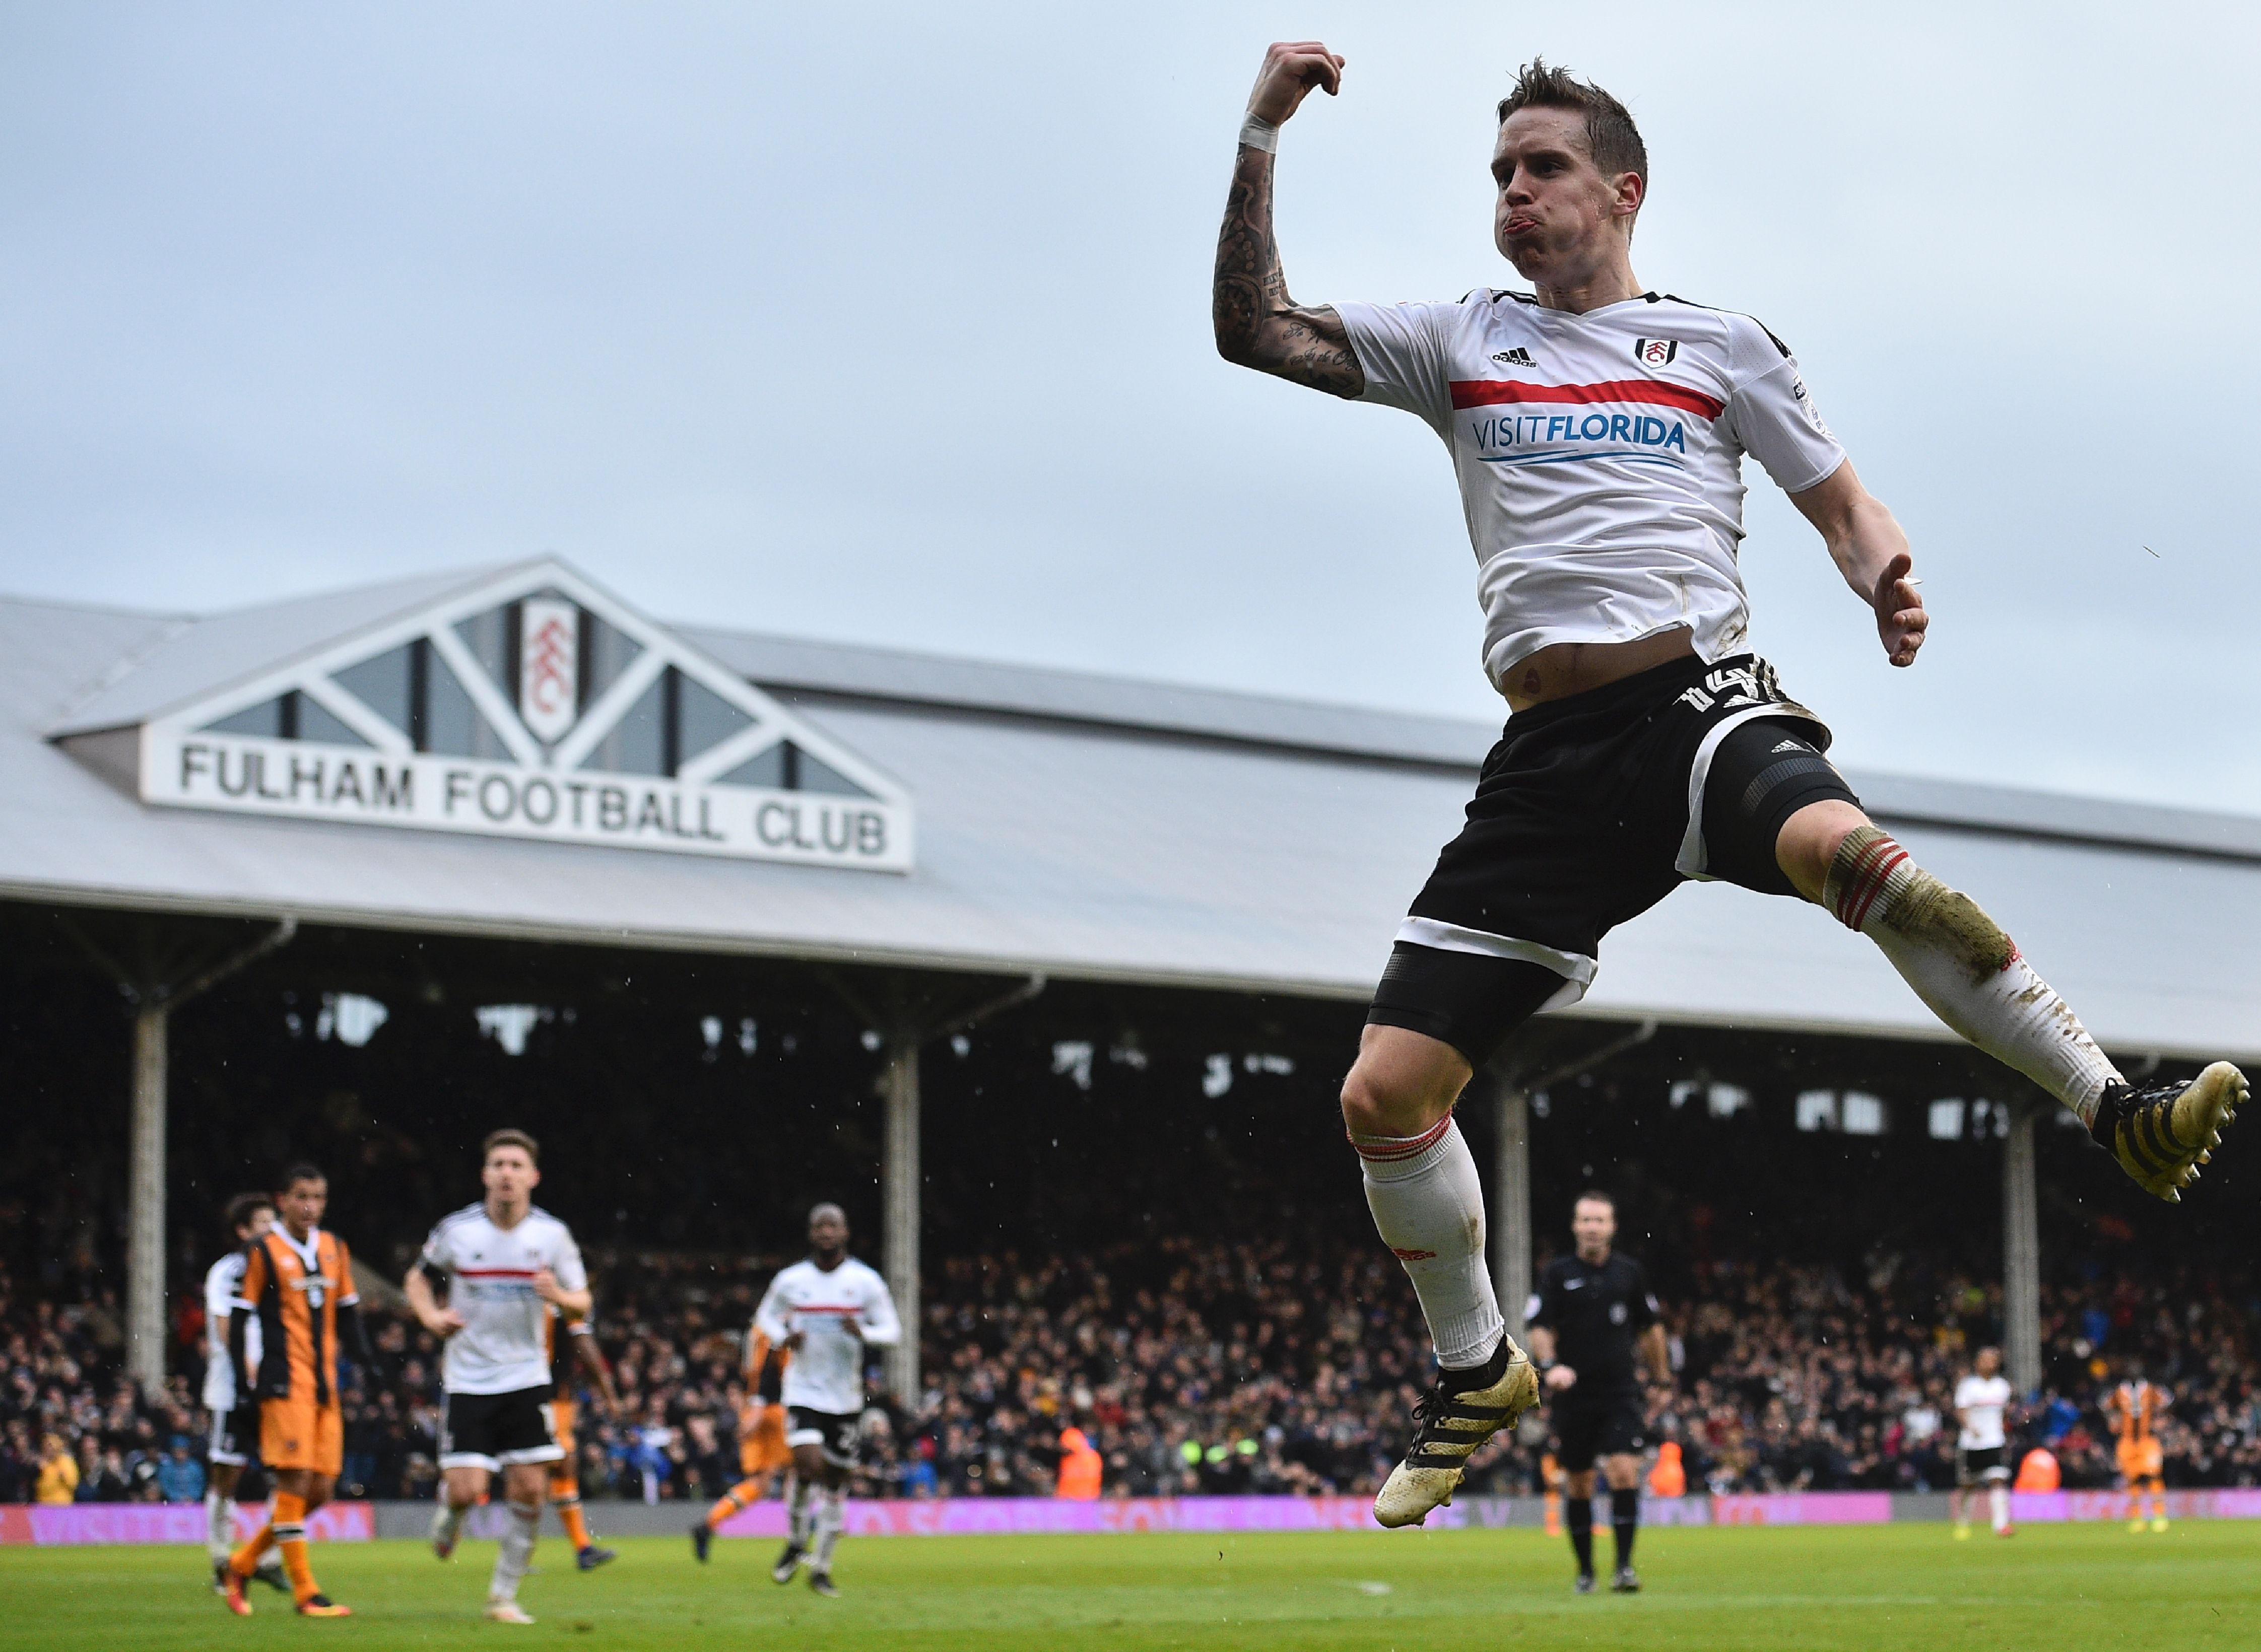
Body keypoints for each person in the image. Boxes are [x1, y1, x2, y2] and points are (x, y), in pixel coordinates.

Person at [1212, 43, 2249, 1531]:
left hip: (1692, 706)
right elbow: (1250, 330)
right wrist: (1256, 135)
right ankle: (1475, 1367)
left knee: (1874, 865)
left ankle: (2116, 1108)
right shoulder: (1454, 337)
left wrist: (1880, 570)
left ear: (1620, 190)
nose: (1512, 192)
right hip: (1547, 770)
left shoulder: (1714, 346)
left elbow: (1840, 494)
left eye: (1541, 166)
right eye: (1498, 172)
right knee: (1382, 1096)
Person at [406, 1129, 591, 1626]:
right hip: (469, 1379)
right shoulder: (458, 1230)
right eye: (499, 1165)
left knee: (531, 1489)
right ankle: (452, 1511)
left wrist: (558, 1295)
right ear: (486, 1174)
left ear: (533, 1176)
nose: (507, 1173)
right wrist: (429, 1315)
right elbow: (417, 1277)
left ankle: (503, 1596)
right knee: (468, 1489)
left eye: (516, 1165)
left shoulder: (551, 1235)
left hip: (527, 1377)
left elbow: (583, 1301)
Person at [220, 1164, 369, 1617]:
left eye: (319, 1198)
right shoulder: (262, 1250)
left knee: (321, 1490)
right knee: (294, 1482)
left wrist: (370, 1367)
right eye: (302, 1197)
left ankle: (242, 1563)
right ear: (282, 1199)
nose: (311, 1207)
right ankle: (307, 1593)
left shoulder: (334, 1248)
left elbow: (348, 1312)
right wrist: (243, 1385)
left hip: (326, 1388)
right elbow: (241, 1315)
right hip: (285, 1384)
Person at [753, 1203, 900, 1598]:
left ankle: (821, 1565)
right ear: (811, 1233)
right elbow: (764, 1317)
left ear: (845, 1232)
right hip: (802, 1391)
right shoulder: (792, 1280)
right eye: (819, 1225)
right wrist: (783, 1337)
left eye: (833, 1225)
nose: (826, 1232)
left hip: (847, 1398)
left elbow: (893, 1331)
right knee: (807, 1463)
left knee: (835, 1481)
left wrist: (864, 1332)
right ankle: (798, 1538)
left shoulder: (865, 1282)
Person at [1525, 1192, 1669, 1593]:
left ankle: (1624, 1568)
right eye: (1586, 1220)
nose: (1592, 1227)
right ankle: (1586, 1572)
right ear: (1575, 1226)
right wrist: (1552, 1366)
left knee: (1625, 1471)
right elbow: (1538, 1324)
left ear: (1612, 1227)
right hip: (1574, 1394)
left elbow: (1651, 1327)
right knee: (1580, 1482)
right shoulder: (1556, 1274)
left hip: (1621, 1391)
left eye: (1600, 1220)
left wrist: (1661, 1380)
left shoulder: (1630, 1273)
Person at [200, 1192, 288, 1597]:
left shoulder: (280, 1270)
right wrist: (248, 1374)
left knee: (286, 1474)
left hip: (275, 1387)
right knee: (226, 1477)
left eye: (274, 1223)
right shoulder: (227, 1272)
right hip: (232, 1389)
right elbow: (225, 1327)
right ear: (242, 1231)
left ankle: (266, 1559)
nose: (271, 1231)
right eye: (262, 1224)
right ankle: (221, 1559)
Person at [692, 1324, 793, 1561]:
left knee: (760, 1483)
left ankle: (708, 1526)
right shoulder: (776, 1330)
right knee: (799, 1470)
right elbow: (768, 1370)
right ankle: (800, 1540)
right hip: (773, 1410)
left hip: (754, 1409)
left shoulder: (756, 1331)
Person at [545, 1304, 620, 1570]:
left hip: (556, 1401)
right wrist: (609, 1393)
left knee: (560, 1469)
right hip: (546, 1400)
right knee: (539, 1470)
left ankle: (583, 1548)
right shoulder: (563, 1306)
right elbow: (585, 1349)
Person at [1950, 1347, 2016, 1539]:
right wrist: (1970, 1427)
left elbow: (2004, 1413)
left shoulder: (2002, 1386)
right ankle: (1963, 1521)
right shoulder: (1968, 1386)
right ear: (1978, 1363)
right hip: (1972, 1443)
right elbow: (1961, 1410)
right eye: (1986, 1360)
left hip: (1995, 1441)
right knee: (1969, 1485)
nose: (1991, 1364)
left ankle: (2001, 1525)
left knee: (1998, 1479)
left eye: (1994, 1360)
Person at [2106, 1364, 2169, 1533]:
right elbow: (2106, 1406)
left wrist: (2159, 1419)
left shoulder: (2150, 1389)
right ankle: (2137, 1518)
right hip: (2127, 1441)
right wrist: (2112, 1419)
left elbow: (2167, 1402)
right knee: (2132, 1480)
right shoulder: (2120, 1391)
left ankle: (2159, 1516)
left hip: (2146, 1440)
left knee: (2153, 1476)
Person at [34, 1433, 78, 1505]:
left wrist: (63, 1477)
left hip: (62, 1506)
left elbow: (73, 1484)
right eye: (46, 1446)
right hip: (43, 1505)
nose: (49, 1449)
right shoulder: (39, 1463)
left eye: (51, 1446)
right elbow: (37, 1485)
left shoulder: (66, 1462)